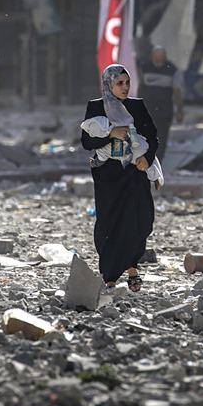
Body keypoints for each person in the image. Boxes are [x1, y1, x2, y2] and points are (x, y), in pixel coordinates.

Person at [81, 65, 158, 292]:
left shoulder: (136, 106)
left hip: (134, 171)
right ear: (108, 84)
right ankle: (111, 274)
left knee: (141, 220)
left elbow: (153, 137)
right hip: (108, 174)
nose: (124, 87)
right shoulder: (96, 107)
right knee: (110, 222)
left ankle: (132, 263)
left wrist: (148, 158)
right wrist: (110, 134)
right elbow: (86, 142)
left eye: (127, 83)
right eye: (119, 83)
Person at [139, 46, 184, 159]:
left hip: (164, 110)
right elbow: (139, 88)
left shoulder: (172, 69)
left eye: (162, 57)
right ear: (152, 57)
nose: (159, 60)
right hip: (147, 109)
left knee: (162, 138)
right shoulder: (145, 68)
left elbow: (177, 91)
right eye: (157, 57)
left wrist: (179, 111)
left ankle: (158, 161)